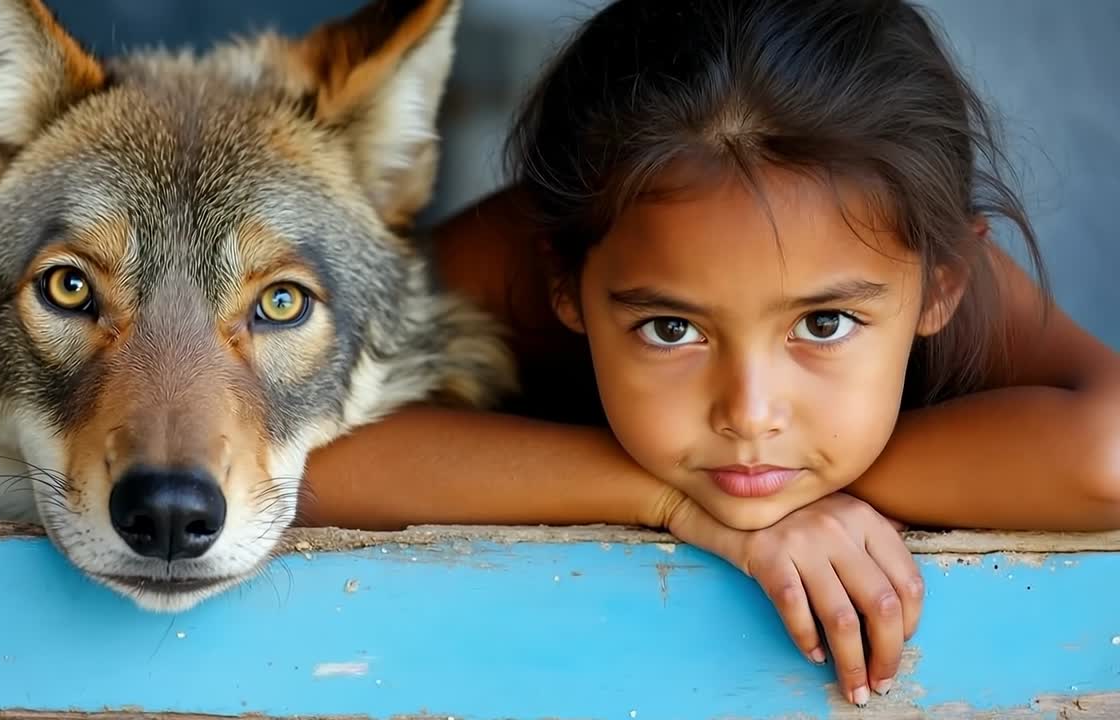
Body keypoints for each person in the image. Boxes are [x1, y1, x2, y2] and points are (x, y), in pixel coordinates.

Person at [297, 0, 1120, 707]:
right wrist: (670, 503)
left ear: (941, 284)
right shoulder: (516, 262)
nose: (749, 415)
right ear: (567, 285)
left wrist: (829, 479)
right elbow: (283, 450)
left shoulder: (929, 247)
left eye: (824, 325)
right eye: (671, 329)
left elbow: (1108, 454)